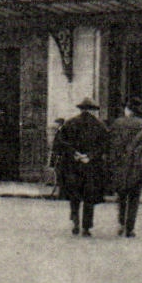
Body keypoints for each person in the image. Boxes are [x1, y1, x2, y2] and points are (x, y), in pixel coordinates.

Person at [50, 97, 108, 236]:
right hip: (91, 166)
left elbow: (59, 143)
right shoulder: (99, 126)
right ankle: (86, 227)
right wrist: (89, 156)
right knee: (89, 196)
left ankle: (75, 222)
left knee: (75, 195)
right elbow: (105, 145)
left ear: (81, 109)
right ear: (92, 110)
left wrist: (74, 154)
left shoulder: (70, 123)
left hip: (73, 165)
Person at [109, 97, 142, 238]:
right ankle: (130, 228)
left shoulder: (117, 123)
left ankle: (121, 224)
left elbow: (110, 142)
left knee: (121, 196)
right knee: (134, 198)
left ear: (127, 110)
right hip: (136, 165)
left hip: (120, 164)